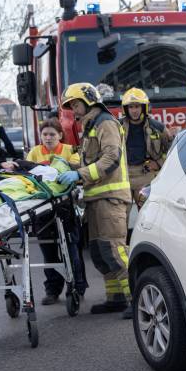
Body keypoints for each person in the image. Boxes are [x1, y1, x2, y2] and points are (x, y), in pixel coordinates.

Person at [54, 83, 131, 314]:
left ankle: (137, 299)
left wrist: (78, 174)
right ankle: (116, 298)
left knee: (115, 250)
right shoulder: (90, 127)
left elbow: (111, 158)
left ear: (89, 101)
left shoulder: (105, 122)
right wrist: (66, 165)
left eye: (76, 104)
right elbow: (90, 160)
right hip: (96, 198)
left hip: (111, 198)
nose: (74, 110)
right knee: (100, 252)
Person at [1, 119, 89, 306]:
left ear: (60, 135)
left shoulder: (70, 150)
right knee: (49, 253)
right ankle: (52, 290)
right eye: (45, 134)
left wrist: (26, 165)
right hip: (41, 210)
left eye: (52, 134)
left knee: (72, 251)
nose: (48, 138)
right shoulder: (34, 152)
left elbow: (68, 169)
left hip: (65, 208)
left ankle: (77, 287)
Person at [119, 87, 172, 319]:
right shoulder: (118, 126)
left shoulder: (158, 128)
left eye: (137, 106)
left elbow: (172, 151)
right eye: (130, 107)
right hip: (122, 176)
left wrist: (157, 163)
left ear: (144, 107)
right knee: (120, 226)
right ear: (125, 109)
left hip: (145, 174)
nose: (134, 110)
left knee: (148, 220)